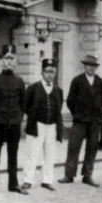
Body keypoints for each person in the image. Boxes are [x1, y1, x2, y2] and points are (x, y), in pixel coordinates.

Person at [59, 54, 102, 187]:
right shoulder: (77, 81)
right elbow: (70, 100)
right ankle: (69, 175)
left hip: (94, 121)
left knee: (92, 148)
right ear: (84, 66)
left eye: (93, 66)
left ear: (96, 68)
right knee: (73, 147)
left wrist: (99, 114)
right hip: (80, 121)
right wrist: (77, 114)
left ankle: (87, 175)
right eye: (89, 65)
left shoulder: (100, 82)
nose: (91, 68)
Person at [0, 44, 28, 195]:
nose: (9, 61)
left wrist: (19, 118)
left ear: (15, 60)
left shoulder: (19, 81)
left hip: (14, 123)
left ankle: (13, 184)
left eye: (12, 58)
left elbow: (23, 103)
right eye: (6, 58)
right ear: (1, 60)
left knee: (13, 154)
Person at [22, 58, 64, 191]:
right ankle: (28, 180)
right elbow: (25, 105)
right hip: (37, 125)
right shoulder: (33, 88)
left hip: (52, 126)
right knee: (32, 153)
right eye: (47, 71)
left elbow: (59, 107)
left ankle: (47, 180)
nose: (50, 75)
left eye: (52, 72)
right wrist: (34, 117)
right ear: (42, 72)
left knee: (50, 155)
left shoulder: (58, 90)